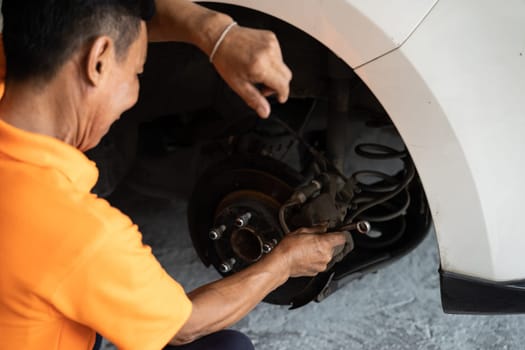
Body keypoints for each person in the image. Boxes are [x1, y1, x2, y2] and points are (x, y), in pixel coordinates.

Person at [0, 1, 347, 349]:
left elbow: (113, 20)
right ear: (99, 61)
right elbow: (186, 324)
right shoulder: (79, 233)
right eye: (137, 73)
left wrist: (218, 36)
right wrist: (285, 262)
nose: (134, 95)